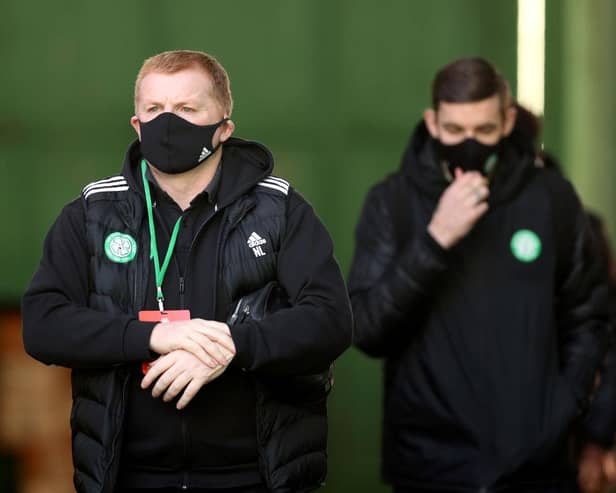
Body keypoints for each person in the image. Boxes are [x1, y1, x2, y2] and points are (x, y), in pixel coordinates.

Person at [22, 50, 352, 493]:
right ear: (137, 125)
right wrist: (154, 336)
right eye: (155, 109)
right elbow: (43, 324)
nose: (168, 122)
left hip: (257, 477)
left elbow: (330, 320)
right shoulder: (91, 212)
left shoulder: (280, 210)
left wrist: (230, 346)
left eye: (187, 109)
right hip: (126, 477)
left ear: (224, 128)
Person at [348, 57, 609, 492]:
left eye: (484, 131)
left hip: (537, 468)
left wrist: (561, 411)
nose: (469, 143)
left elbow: (590, 315)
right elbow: (368, 328)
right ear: (432, 123)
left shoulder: (551, 199)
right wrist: (434, 240)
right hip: (429, 467)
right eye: (454, 131)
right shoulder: (391, 202)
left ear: (507, 122)